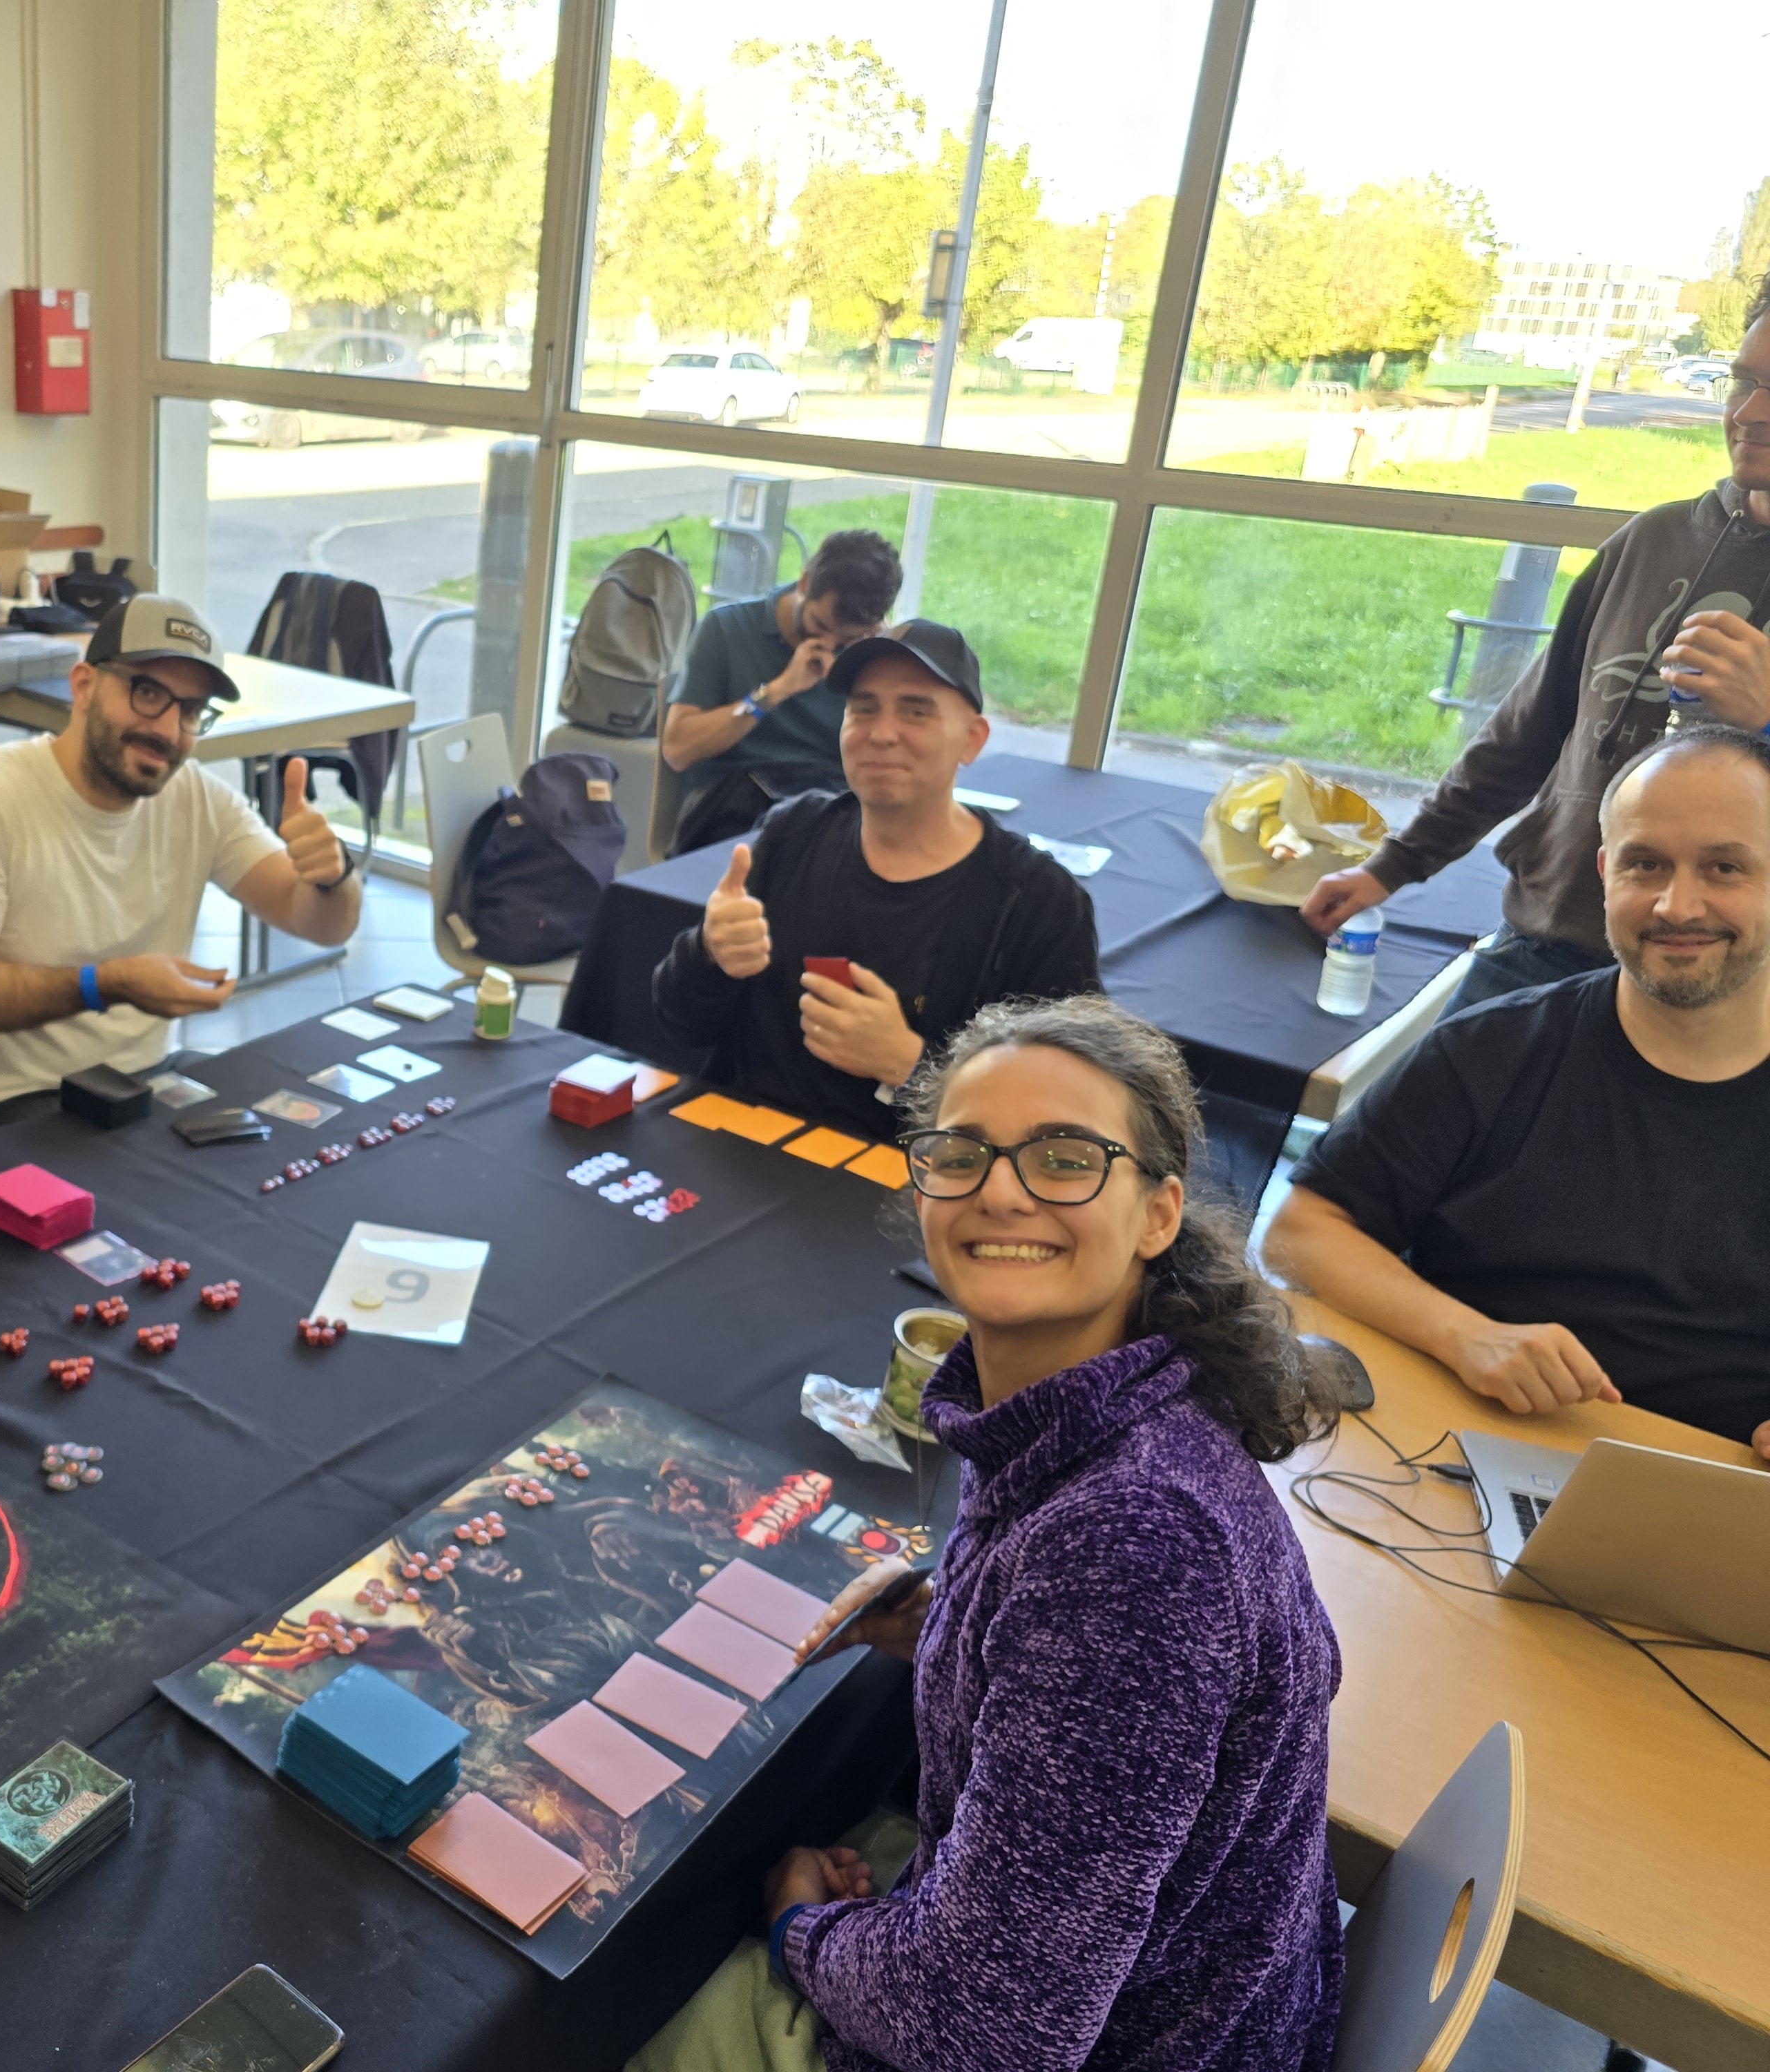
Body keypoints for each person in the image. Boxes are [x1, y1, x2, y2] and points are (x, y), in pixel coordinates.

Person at [631, 996, 1345, 2072]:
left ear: (1158, 1215)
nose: (1001, 1190)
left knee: (625, 1995)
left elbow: (986, 2032)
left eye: (1065, 1159)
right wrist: (957, 1633)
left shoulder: (1136, 1546)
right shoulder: (1110, 1413)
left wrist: (797, 1929)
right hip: (1152, 1992)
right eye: (961, 1153)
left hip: (1110, 2045)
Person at [1269, 725, 1770, 1459]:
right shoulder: (1489, 1051)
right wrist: (1464, 1335)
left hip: (1725, 1474)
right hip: (1467, 1447)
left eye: (1725, 868)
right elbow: (1301, 1231)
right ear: (1604, 872)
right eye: (1645, 864)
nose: (1676, 905)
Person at [1300, 282, 1770, 1016]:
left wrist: (1764, 723)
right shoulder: (1654, 542)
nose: (1748, 414)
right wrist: (1393, 866)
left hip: (1730, 992)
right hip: (1544, 944)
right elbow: (1530, 731)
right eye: (1743, 382)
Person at [0, 594, 360, 1136]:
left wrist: (334, 875)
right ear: (84, 686)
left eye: (191, 710)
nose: (168, 730)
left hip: (150, 1080)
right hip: (4, 1101)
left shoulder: (198, 798)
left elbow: (322, 924)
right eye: (147, 693)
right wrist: (102, 985)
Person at [652, 620, 1100, 1120]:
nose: (882, 734)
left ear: (972, 740)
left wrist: (910, 1067)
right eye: (864, 709)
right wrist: (708, 953)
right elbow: (680, 1023)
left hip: (922, 1164)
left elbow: (1063, 1105)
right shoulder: (791, 836)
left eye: (916, 711)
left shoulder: (1036, 902)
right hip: (747, 1138)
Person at [662, 529, 903, 855]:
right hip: (733, 809)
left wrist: (882, 668)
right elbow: (677, 749)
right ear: (805, 583)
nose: (828, 646)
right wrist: (776, 692)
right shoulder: (727, 627)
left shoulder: (872, 654)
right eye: (820, 625)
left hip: (829, 813)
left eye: (846, 640)